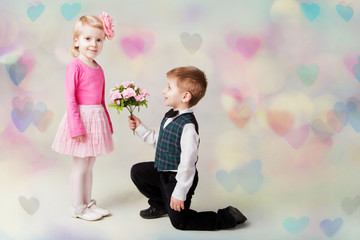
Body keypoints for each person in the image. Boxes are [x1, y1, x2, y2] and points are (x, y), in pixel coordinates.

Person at [128, 66, 247, 230]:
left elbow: (188, 164)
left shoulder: (188, 127)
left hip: (178, 178)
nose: (164, 91)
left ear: (185, 96)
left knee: (180, 222)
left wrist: (179, 192)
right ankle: (161, 204)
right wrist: (140, 128)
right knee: (138, 171)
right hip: (163, 171)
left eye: (169, 87)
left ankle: (227, 216)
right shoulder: (171, 116)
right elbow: (160, 143)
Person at [51, 13, 115, 221]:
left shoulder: (99, 69)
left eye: (99, 40)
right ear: (76, 41)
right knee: (79, 166)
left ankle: (87, 203)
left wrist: (108, 123)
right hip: (80, 120)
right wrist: (76, 127)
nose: (93, 44)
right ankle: (77, 207)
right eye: (88, 39)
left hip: (96, 121)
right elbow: (70, 99)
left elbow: (102, 99)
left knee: (89, 166)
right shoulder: (75, 66)